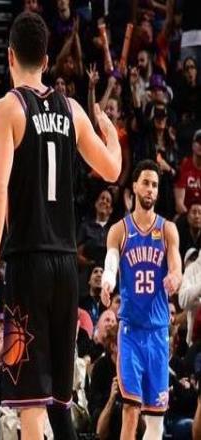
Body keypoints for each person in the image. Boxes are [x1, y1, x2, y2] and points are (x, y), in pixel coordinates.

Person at [0, 11, 122, 440]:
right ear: (46, 60)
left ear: (10, 56)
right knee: (59, 402)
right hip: (65, 268)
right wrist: (111, 134)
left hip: (28, 264)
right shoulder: (72, 109)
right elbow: (112, 170)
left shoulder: (8, 108)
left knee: (29, 404)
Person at [101, 160, 183, 440]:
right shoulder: (119, 230)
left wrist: (174, 277)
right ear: (134, 186)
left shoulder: (168, 229)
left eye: (155, 185)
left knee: (156, 419)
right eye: (146, 183)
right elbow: (111, 260)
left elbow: (176, 264)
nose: (150, 189)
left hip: (158, 333)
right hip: (131, 333)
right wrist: (108, 280)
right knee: (130, 408)